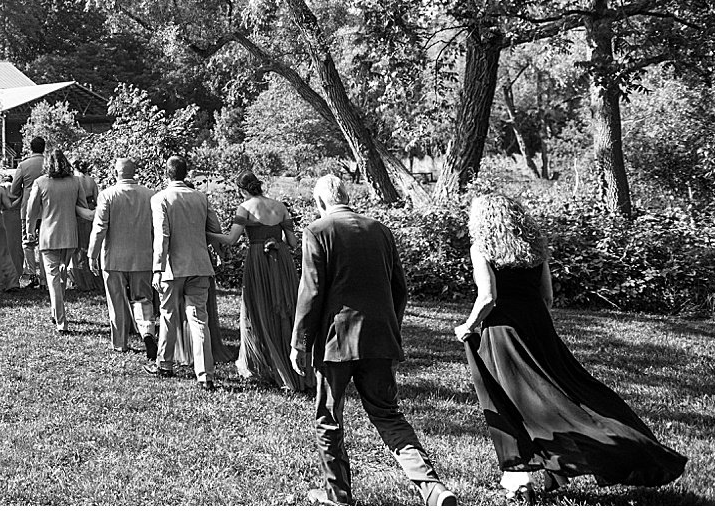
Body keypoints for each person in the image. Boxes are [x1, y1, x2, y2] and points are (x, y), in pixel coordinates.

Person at [455, 194, 687, 501]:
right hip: (538, 327)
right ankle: (601, 448)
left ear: (482, 219)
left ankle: (519, 478)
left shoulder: (481, 247)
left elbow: (488, 297)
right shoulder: (534, 247)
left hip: (503, 332)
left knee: (512, 402)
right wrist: (534, 324)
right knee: (565, 392)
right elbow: (547, 297)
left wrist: (468, 326)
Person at [291, 173, 457, 507]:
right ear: (345, 196)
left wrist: (299, 343)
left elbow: (311, 292)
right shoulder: (380, 230)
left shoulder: (317, 231)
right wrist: (388, 325)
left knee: (329, 417)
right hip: (379, 338)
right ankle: (432, 489)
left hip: (336, 341)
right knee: (388, 415)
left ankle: (337, 495)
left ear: (320, 202)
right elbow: (400, 289)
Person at [213, 172, 309, 393]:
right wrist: (276, 240)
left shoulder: (245, 207)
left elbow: (231, 239)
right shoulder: (280, 206)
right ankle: (293, 359)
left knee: (257, 308)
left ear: (242, 189)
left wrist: (208, 235)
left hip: (258, 260)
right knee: (285, 308)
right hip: (281, 260)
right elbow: (293, 242)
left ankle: (261, 363)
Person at [150, 154, 224, 391]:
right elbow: (215, 228)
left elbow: (162, 236)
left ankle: (164, 363)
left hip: (172, 267)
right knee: (199, 319)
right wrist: (218, 251)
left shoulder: (160, 198)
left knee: (169, 315)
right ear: (185, 172)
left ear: (167, 173)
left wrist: (157, 269)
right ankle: (205, 375)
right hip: (200, 265)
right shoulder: (201, 197)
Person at [88, 157, 158, 357]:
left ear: (116, 173)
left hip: (114, 258)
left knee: (116, 301)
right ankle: (147, 332)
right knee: (144, 299)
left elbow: (100, 227)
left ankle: (120, 343)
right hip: (143, 257)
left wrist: (92, 254)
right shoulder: (150, 195)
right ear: (134, 172)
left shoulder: (107, 195)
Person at [25, 150, 92, 334]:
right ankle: (56, 313)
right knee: (61, 276)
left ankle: (61, 321)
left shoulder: (40, 183)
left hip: (48, 236)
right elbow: (82, 208)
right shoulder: (75, 182)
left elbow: (31, 212)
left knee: (54, 278)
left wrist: (29, 231)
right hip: (70, 235)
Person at [10, 136, 49, 288]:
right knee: (45, 244)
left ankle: (33, 276)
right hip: (47, 208)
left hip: (28, 209)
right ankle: (45, 278)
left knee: (28, 243)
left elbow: (14, 190)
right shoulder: (49, 164)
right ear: (44, 147)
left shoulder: (23, 165)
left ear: (30, 148)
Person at [68, 158, 103, 294]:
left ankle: (82, 280)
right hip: (91, 209)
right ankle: (95, 278)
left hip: (79, 211)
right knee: (90, 244)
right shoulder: (91, 180)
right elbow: (97, 197)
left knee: (80, 247)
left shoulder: (75, 180)